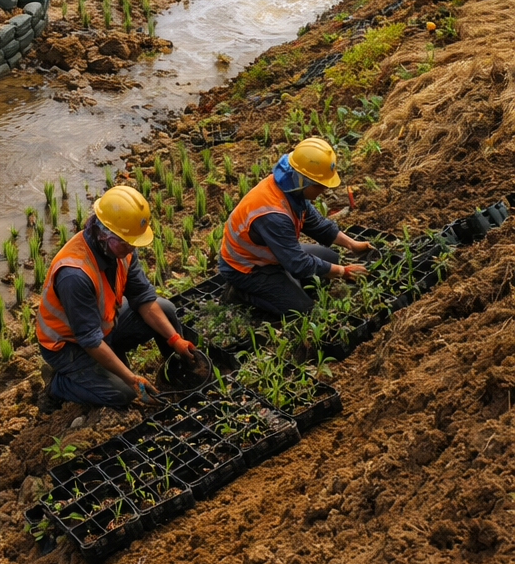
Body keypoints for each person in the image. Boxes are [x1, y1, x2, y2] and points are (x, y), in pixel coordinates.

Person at [37, 185, 197, 410]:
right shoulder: (74, 274)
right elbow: (90, 340)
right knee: (122, 394)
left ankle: (176, 375)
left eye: (134, 241)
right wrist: (132, 379)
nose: (132, 247)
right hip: (69, 345)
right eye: (127, 242)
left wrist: (174, 340)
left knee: (166, 310)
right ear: (104, 234)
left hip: (104, 326)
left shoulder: (121, 248)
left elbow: (142, 298)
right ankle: (58, 385)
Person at [219, 138, 370, 318]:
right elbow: (298, 263)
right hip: (247, 267)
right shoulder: (273, 213)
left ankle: (285, 282)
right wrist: (343, 272)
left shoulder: (292, 190)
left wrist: (352, 244)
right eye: (320, 185)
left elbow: (318, 225)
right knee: (301, 311)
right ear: (304, 181)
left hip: (273, 254)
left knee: (331, 259)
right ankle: (239, 294)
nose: (324, 190)